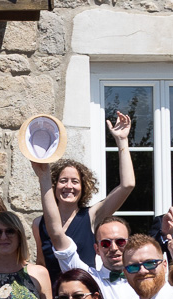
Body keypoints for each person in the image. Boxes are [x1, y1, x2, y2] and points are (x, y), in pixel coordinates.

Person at [30, 111, 136, 269]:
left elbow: (127, 185)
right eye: (63, 181)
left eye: (75, 181)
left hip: (85, 284)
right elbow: (41, 263)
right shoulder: (38, 223)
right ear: (53, 185)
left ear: (83, 187)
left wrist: (122, 141)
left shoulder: (92, 215)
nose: (69, 186)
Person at [37, 172, 138, 299]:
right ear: (96, 249)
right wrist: (44, 176)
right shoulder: (89, 280)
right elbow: (56, 234)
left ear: (129, 244)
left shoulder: (145, 276)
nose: (113, 248)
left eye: (120, 242)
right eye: (106, 244)